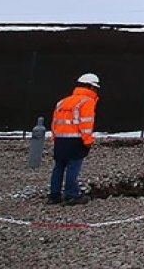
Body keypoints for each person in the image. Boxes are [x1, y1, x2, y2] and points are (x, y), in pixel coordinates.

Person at [48, 73, 101, 206]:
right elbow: (86, 124)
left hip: (60, 139)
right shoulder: (87, 101)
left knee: (59, 167)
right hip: (76, 140)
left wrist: (55, 137)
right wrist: (87, 141)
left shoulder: (62, 102)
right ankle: (72, 195)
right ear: (91, 87)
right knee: (73, 167)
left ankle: (54, 195)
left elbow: (54, 122)